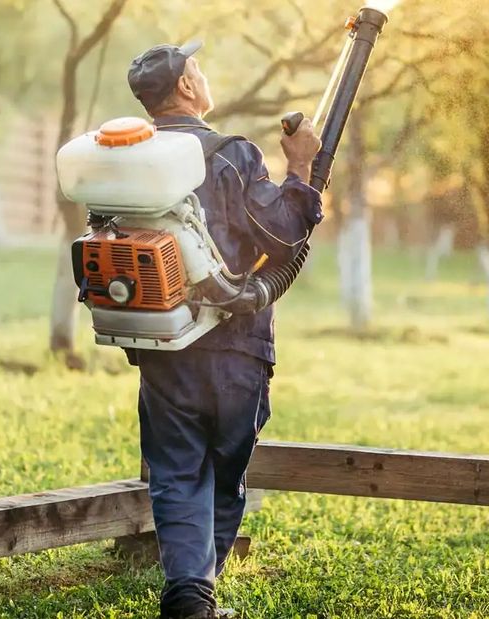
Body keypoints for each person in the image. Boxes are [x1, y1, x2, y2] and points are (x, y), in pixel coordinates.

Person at [124, 41, 323, 619]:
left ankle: (190, 597)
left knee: (177, 471)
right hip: (237, 346)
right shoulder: (230, 154)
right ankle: (194, 600)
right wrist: (303, 167)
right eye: (198, 68)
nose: (204, 74)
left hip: (165, 344)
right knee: (224, 472)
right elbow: (285, 236)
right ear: (186, 87)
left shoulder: (129, 159)